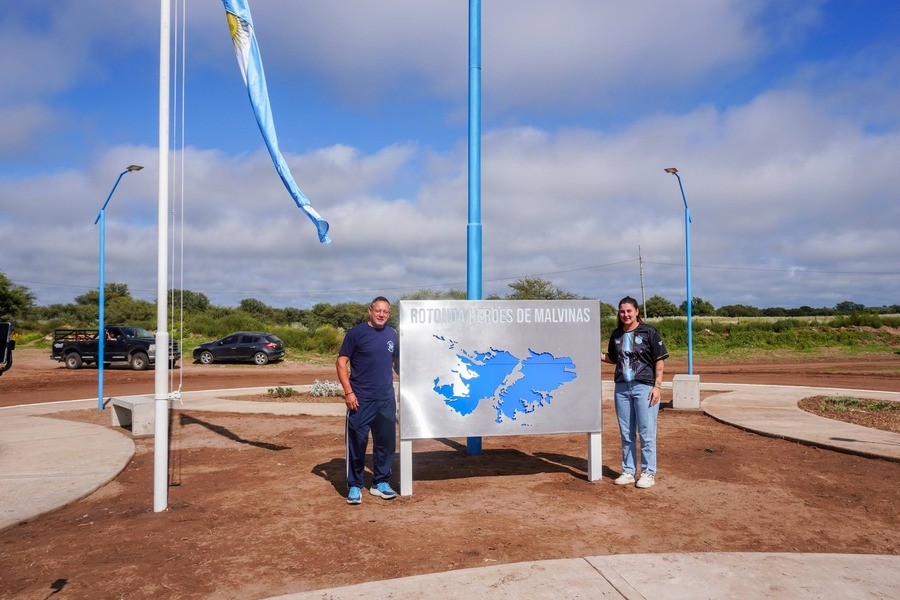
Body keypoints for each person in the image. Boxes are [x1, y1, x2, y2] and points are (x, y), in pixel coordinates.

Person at [336, 296, 400, 505]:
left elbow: (396, 364)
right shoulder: (356, 333)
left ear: (389, 314)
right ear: (370, 311)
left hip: (385, 400)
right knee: (357, 443)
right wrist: (348, 392)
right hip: (360, 400)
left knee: (386, 443)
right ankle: (354, 485)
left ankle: (380, 482)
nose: (382, 314)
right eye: (378, 310)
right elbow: (341, 361)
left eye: (386, 312)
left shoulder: (392, 335)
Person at [601, 296, 669, 489]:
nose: (625, 315)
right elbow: (613, 358)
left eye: (629, 311)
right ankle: (628, 471)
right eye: (622, 311)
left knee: (647, 432)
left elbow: (659, 360)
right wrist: (593, 353)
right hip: (622, 388)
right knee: (626, 432)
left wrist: (657, 386)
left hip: (645, 387)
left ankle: (648, 473)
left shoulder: (649, 332)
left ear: (637, 311)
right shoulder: (616, 335)